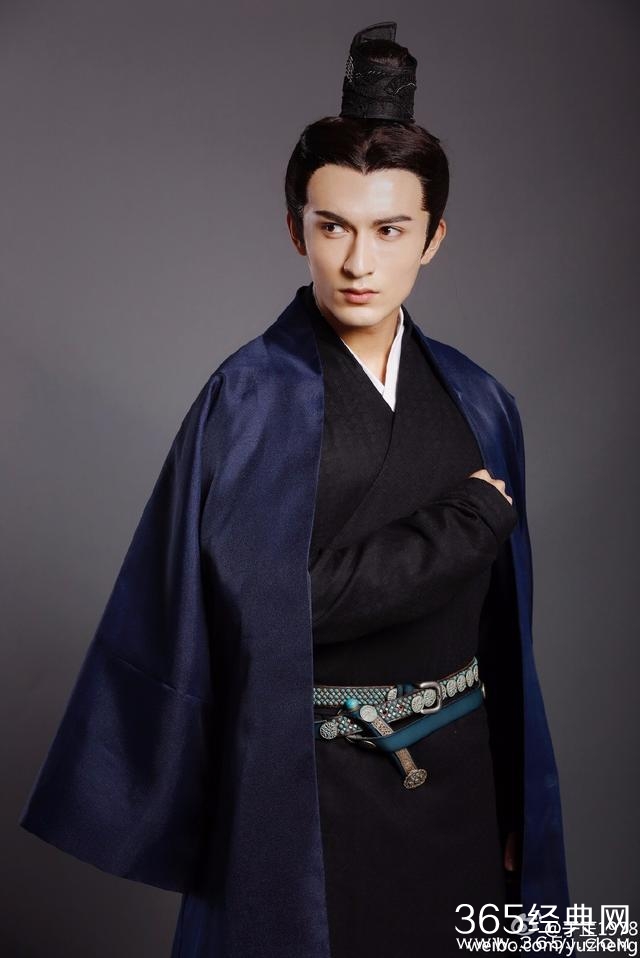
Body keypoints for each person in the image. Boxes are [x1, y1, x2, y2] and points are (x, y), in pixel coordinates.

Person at [19, 21, 569, 958]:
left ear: (433, 239)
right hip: (306, 788)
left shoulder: (479, 398)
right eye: (333, 226)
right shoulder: (251, 397)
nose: (358, 262)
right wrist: (463, 524)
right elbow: (276, 604)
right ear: (295, 229)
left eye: (390, 230)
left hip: (460, 783)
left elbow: (502, 633)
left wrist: (515, 800)